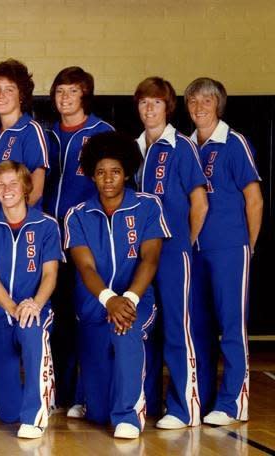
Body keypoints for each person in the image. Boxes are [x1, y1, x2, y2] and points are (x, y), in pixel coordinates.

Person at [64, 131, 167, 439]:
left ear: (126, 174)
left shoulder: (148, 206)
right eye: (101, 173)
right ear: (93, 177)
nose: (108, 179)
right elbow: (85, 266)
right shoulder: (77, 215)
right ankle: (94, 399)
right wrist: (109, 299)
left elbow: (149, 259)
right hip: (94, 305)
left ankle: (128, 415)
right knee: (97, 413)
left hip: (136, 302)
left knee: (125, 327)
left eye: (115, 172)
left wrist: (129, 299)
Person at [184, 77, 263, 426]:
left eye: (206, 101)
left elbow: (254, 199)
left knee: (231, 325)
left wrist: (249, 246)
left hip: (229, 247)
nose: (199, 108)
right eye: (193, 102)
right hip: (194, 252)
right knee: (198, 327)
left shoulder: (234, 143)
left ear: (218, 105)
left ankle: (233, 401)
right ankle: (202, 398)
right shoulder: (185, 145)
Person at [133, 76, 208, 429]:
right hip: (140, 256)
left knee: (179, 329)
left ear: (168, 106)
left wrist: (184, 243)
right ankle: (147, 402)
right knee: (144, 327)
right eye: (144, 102)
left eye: (156, 102)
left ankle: (183, 407)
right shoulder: (133, 148)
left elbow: (199, 202)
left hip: (174, 252)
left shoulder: (181, 146)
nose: (149, 109)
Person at [41, 67, 114, 417]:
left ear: (85, 95)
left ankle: (87, 395)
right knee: (57, 320)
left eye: (72, 91)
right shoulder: (47, 134)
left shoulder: (102, 132)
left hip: (87, 241)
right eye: (60, 91)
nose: (65, 98)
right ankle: (61, 393)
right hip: (49, 241)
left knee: (87, 317)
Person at [0, 161, 61, 439]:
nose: (7, 189)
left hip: (35, 307)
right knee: (8, 412)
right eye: (1, 185)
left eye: (13, 183)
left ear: (26, 187)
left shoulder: (46, 224)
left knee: (32, 332)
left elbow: (50, 273)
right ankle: (18, 409)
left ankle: (35, 413)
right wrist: (11, 308)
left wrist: (34, 303)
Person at [0, 59, 48, 217]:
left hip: (17, 228)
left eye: (9, 89)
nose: (1, 95)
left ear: (21, 95)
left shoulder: (31, 131)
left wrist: (12, 222)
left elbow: (36, 190)